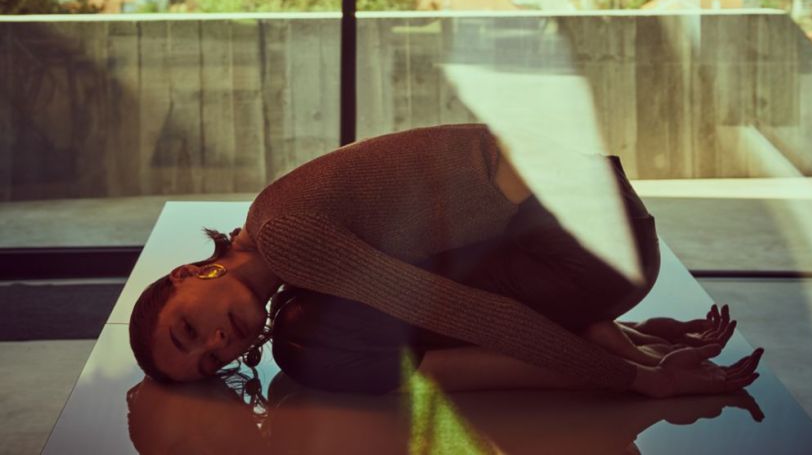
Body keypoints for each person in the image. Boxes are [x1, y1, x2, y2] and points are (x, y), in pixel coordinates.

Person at [129, 123, 763, 397]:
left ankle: (602, 337)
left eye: (188, 329)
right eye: (211, 362)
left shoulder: (287, 240)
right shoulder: (269, 221)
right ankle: (608, 331)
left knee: (315, 334)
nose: (218, 344)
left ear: (189, 274)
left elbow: (475, 314)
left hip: (584, 245)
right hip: (599, 226)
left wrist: (636, 382)